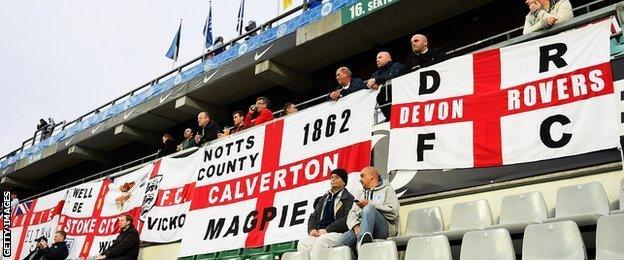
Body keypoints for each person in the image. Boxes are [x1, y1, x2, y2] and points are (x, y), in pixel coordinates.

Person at [336, 166, 400, 252]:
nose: (360, 180)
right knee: (340, 242)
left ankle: (362, 246)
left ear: (372, 176)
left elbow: (393, 212)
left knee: (369, 208)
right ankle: (362, 245)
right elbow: (351, 214)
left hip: (385, 229)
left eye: (362, 176)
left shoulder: (387, 189)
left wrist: (370, 204)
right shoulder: (360, 193)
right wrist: (355, 226)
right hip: (361, 228)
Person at [298, 169, 355, 260]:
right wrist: (312, 229)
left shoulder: (349, 198)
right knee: (303, 243)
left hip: (338, 233)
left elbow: (347, 219)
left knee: (322, 241)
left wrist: (326, 230)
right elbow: (313, 216)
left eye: (336, 177)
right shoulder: (325, 197)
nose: (333, 179)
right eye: (331, 177)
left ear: (344, 182)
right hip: (321, 233)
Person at [366, 52, 405, 120]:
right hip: (385, 110)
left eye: (380, 57)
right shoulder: (376, 73)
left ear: (388, 58)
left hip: (399, 103)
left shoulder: (397, 66)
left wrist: (377, 80)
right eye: (376, 58)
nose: (377, 60)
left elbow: (397, 75)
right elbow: (366, 83)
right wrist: (371, 85)